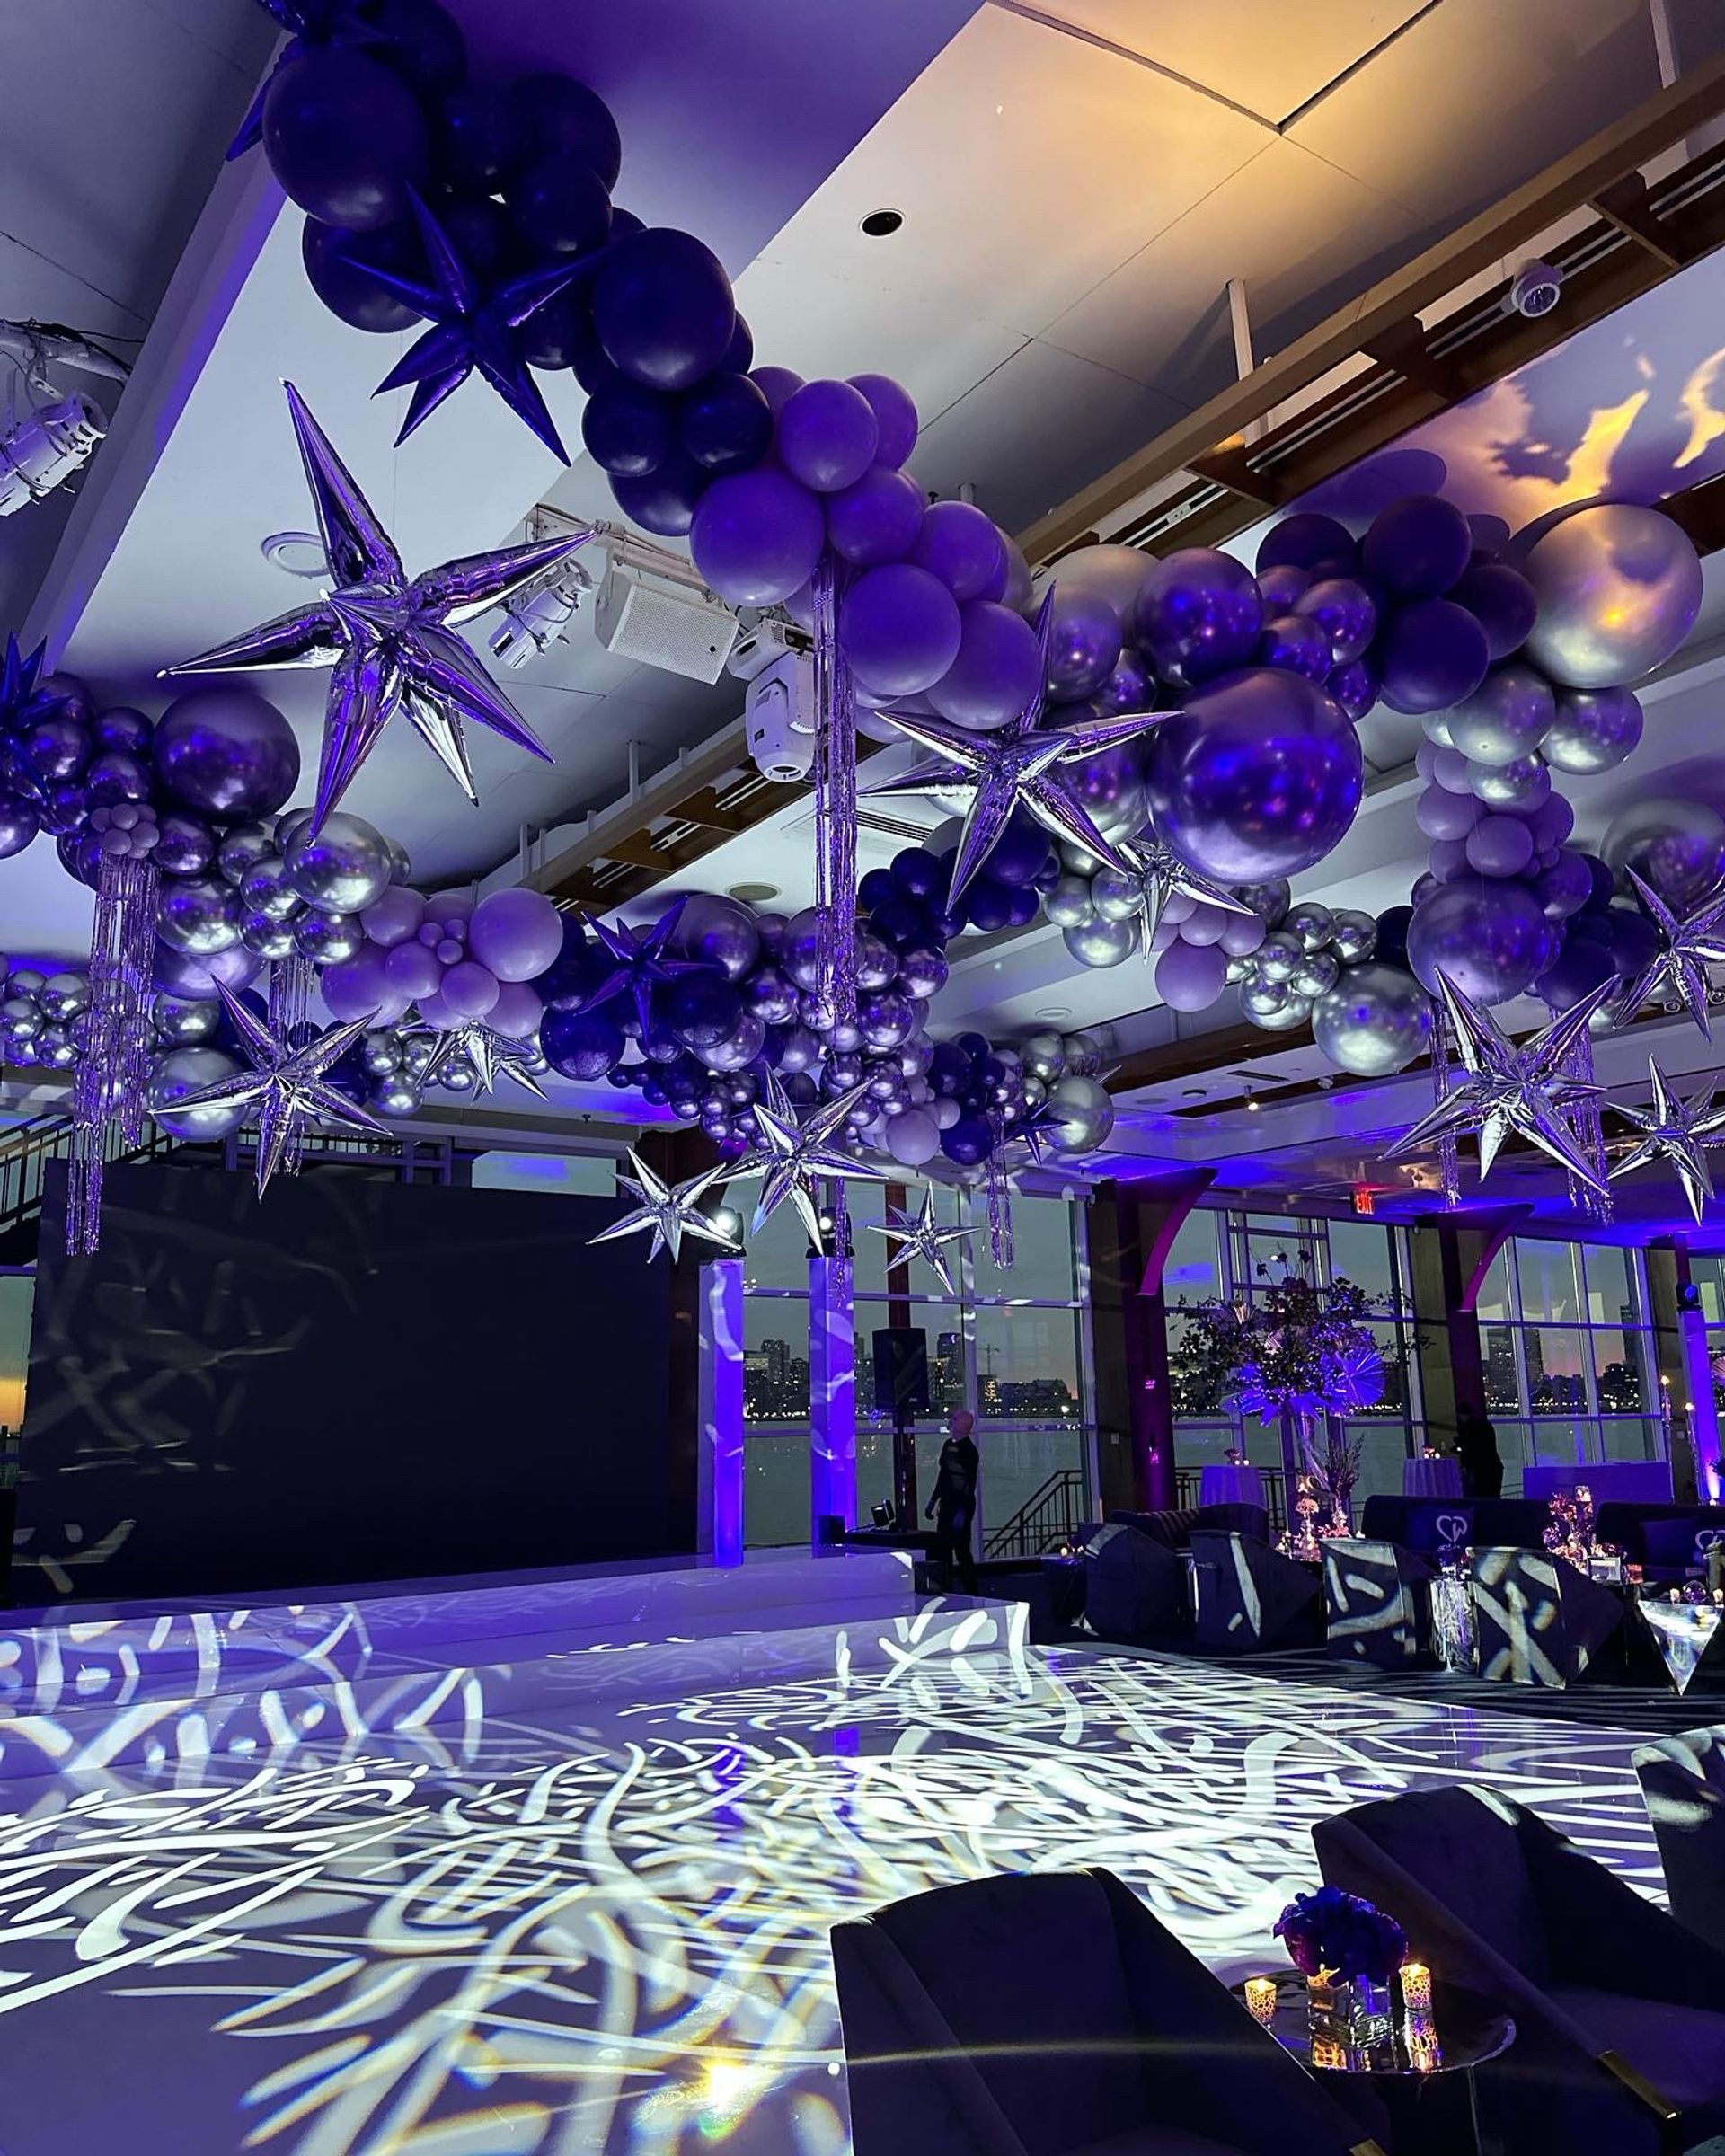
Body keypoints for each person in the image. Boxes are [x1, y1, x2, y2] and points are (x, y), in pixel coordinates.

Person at [925, 1407, 980, 1594]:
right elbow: (944, 1477)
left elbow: (967, 1485)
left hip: (960, 1507)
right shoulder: (948, 1445)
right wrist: (933, 1501)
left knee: (962, 1551)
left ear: (963, 1426)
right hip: (948, 1505)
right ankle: (946, 1589)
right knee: (944, 1549)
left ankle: (972, 1591)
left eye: (955, 1419)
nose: (951, 1420)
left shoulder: (969, 1452)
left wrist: (962, 1513)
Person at [1455, 1404, 1503, 1498]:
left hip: (1480, 1470)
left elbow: (1469, 1451)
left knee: (1480, 1498)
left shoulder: (1467, 1429)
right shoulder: (1485, 1425)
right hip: (1494, 1467)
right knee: (1493, 1498)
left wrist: (1465, 1465)